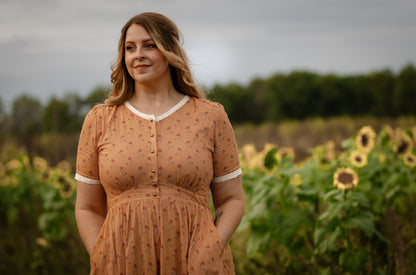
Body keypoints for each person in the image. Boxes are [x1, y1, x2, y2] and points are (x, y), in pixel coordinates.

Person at [74, 12, 245, 274]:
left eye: (149, 45)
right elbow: (87, 207)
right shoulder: (99, 121)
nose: (137, 55)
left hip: (196, 264)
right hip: (123, 264)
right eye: (129, 48)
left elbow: (232, 199)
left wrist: (210, 249)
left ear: (170, 50)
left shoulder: (210, 116)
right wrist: (103, 255)